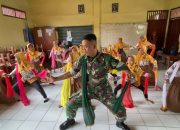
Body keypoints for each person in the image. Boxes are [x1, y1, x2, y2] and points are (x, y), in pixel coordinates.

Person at [54, 34, 131, 130]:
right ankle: (70, 119)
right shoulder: (82, 59)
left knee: (119, 108)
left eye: (85, 46)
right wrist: (55, 79)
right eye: (82, 46)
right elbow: (71, 73)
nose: (82, 49)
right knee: (70, 104)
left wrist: (128, 72)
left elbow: (121, 65)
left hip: (103, 90)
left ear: (94, 46)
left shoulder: (106, 58)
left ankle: (120, 122)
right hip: (88, 89)